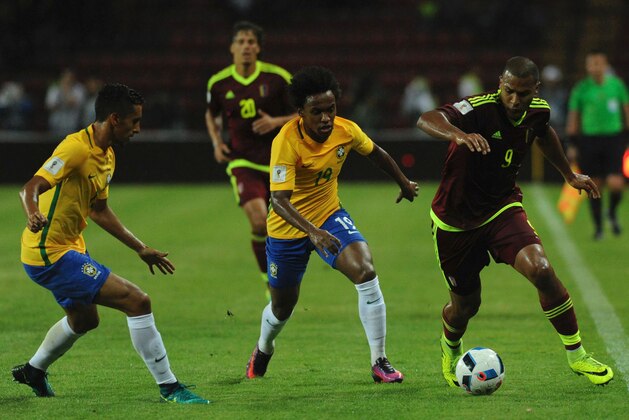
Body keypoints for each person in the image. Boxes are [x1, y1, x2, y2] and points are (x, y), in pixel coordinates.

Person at [416, 56, 614, 387]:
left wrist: (569, 175)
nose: (515, 100)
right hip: (456, 220)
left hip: (501, 209)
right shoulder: (478, 109)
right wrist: (458, 135)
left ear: (534, 90)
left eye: (523, 94)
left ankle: (577, 354)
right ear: (500, 85)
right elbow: (426, 118)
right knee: (466, 306)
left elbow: (544, 132)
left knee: (541, 269)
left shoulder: (538, 110)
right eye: (509, 91)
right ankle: (450, 349)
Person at [12, 84, 209, 404]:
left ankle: (34, 369)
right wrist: (33, 212)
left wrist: (139, 247)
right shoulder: (75, 148)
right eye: (134, 121)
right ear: (115, 119)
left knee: (85, 320)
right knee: (137, 301)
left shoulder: (107, 156)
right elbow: (31, 186)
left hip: (70, 247)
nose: (138, 128)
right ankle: (170, 387)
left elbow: (98, 210)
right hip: (48, 252)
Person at [245, 66, 419, 383]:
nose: (326, 118)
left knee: (365, 271)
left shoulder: (346, 130)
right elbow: (279, 201)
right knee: (282, 307)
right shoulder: (286, 142)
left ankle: (380, 361)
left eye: (331, 110)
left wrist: (403, 182)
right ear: (300, 113)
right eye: (317, 112)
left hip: (329, 215)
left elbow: (376, 153)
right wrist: (312, 233)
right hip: (288, 230)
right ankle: (264, 347)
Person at [205, 21, 296, 299]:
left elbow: (301, 114)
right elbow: (211, 113)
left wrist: (274, 122)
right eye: (241, 42)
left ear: (258, 48)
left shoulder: (278, 78)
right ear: (232, 47)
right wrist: (217, 142)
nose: (246, 46)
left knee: (283, 226)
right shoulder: (219, 83)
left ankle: (284, 275)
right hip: (242, 162)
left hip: (278, 162)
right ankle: (269, 281)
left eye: (251, 42)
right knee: (259, 222)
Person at [566, 50, 629, 240]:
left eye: (598, 63)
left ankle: (611, 212)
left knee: (616, 184)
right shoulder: (581, 89)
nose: (595, 67)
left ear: (605, 64)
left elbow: (626, 110)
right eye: (591, 64)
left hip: (613, 139)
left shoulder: (617, 85)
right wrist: (572, 143)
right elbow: (574, 117)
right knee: (595, 185)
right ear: (587, 67)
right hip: (589, 140)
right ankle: (599, 227)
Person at [45, 68, 86, 135]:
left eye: (70, 77)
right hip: (55, 123)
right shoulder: (54, 88)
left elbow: (73, 103)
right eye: (65, 77)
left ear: (74, 78)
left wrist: (65, 90)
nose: (68, 79)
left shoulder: (79, 89)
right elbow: (49, 106)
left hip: (72, 123)